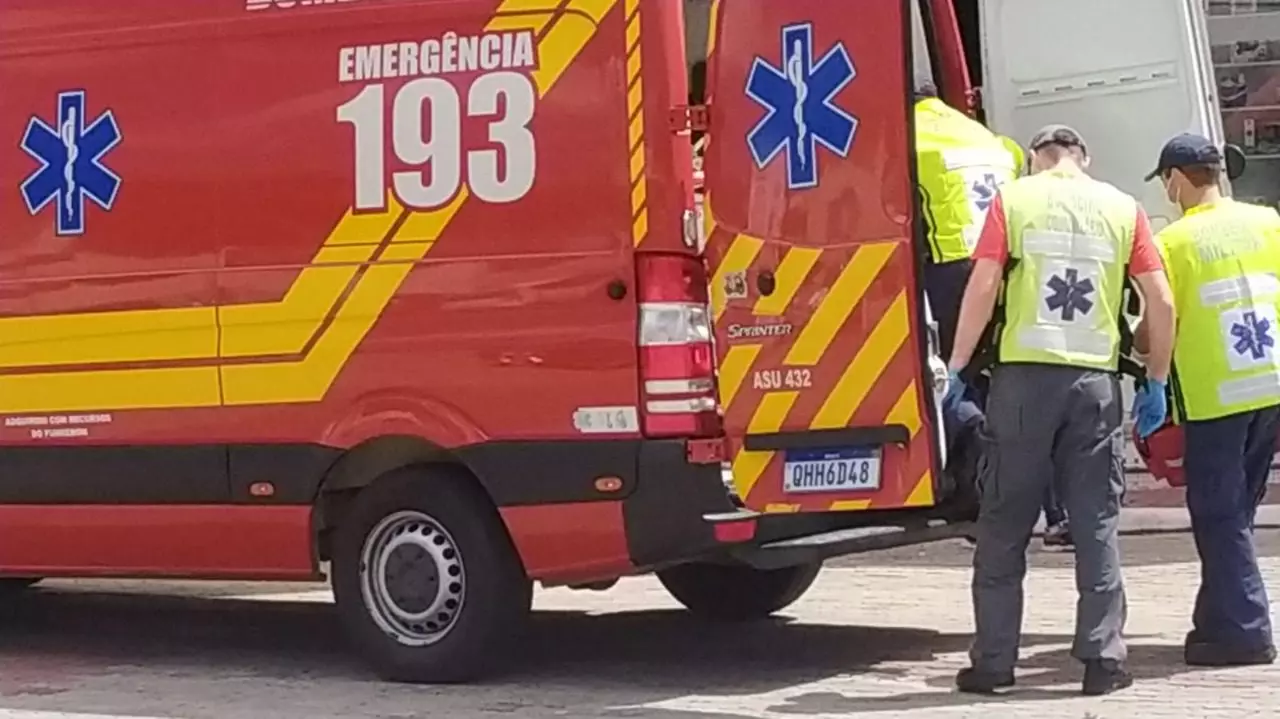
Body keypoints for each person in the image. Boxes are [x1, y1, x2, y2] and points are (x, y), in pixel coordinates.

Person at [944, 125, 1176, 695]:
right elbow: (1162, 298)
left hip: (1022, 382)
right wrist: (1156, 378)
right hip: (1095, 385)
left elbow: (984, 283)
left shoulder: (1014, 199)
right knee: (1095, 521)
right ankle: (1104, 663)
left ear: (1033, 160)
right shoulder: (1123, 208)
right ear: (1085, 157)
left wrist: (955, 365)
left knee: (1004, 525)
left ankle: (995, 665)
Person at [1137, 133, 1280, 667]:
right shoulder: (1268, 222)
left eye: (1166, 182)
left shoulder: (1172, 242)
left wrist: (1149, 371)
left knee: (1218, 515)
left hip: (1216, 396)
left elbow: (1161, 317)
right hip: (1270, 386)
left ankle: (1246, 631)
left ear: (1176, 178)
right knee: (1234, 514)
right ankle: (1216, 622)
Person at [913, 82, 1022, 454]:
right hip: (1004, 266)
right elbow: (1016, 157)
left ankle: (973, 448)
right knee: (986, 363)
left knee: (945, 368)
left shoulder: (906, 135)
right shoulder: (982, 134)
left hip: (952, 268)